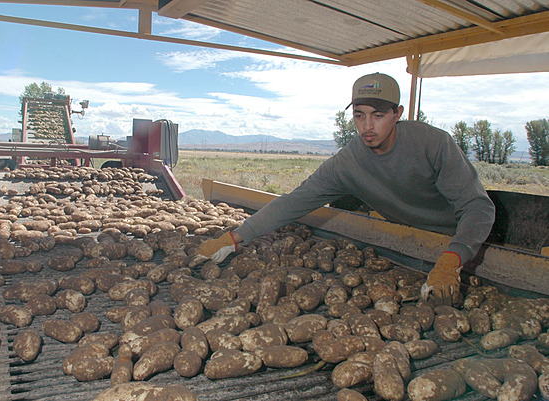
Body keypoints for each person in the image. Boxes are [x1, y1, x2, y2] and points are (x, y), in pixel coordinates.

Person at [189, 72, 495, 306]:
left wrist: (453, 258)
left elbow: (479, 208)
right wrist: (233, 238)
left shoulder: (433, 144)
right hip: (412, 242)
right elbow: (295, 201)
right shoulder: (348, 162)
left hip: (461, 240)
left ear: (398, 113)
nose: (367, 127)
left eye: (378, 115)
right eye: (359, 115)